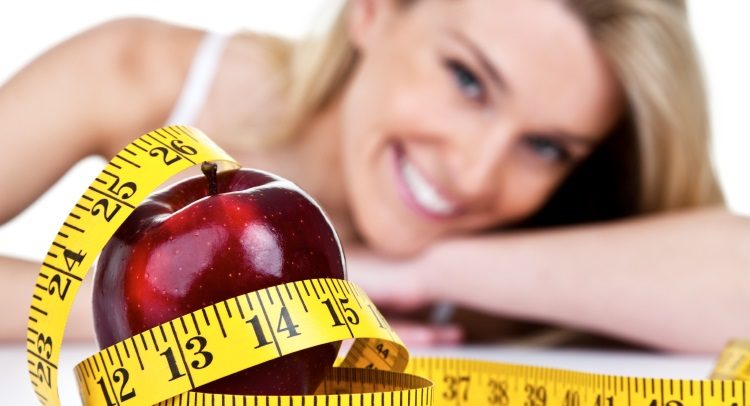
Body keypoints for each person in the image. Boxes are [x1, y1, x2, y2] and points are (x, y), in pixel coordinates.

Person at [1, 0, 748, 353]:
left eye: (548, 147)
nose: (475, 173)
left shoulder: (553, 220)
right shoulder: (142, 75)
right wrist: (223, 320)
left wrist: (413, 274)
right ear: (373, 11)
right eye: (468, 80)